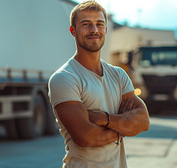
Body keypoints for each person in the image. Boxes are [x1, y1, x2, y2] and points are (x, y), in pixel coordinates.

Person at [48, 1, 150, 168]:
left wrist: (104, 119)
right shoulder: (65, 78)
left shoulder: (118, 75)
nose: (94, 30)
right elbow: (86, 137)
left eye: (99, 24)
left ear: (106, 30)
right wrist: (124, 126)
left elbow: (143, 122)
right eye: (86, 24)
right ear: (73, 31)